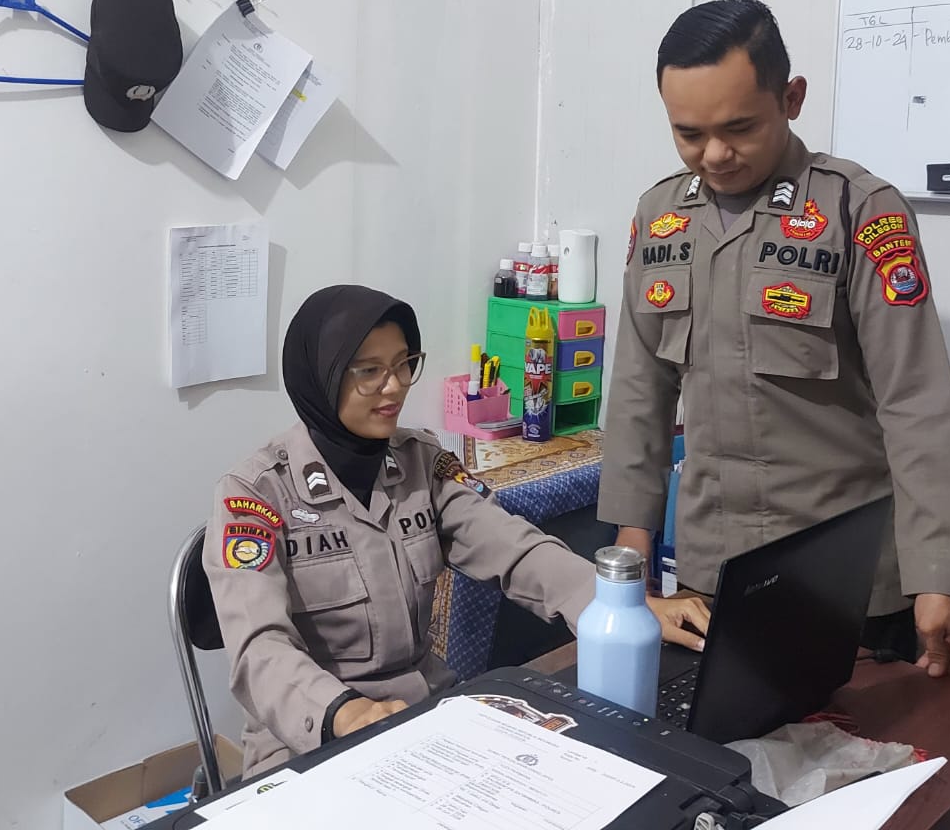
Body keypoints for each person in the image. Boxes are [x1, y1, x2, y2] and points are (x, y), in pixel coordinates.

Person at [598, 0, 950, 682]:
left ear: (791, 98)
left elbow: (915, 404)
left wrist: (936, 576)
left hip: (847, 578)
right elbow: (638, 391)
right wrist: (632, 547)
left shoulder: (859, 211)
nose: (715, 155)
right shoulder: (660, 216)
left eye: (739, 128)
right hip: (714, 574)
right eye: (689, 134)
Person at [206, 284, 712, 778]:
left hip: (423, 719)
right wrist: (343, 711)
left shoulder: (420, 463)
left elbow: (515, 548)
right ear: (322, 375)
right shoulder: (255, 495)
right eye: (369, 371)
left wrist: (617, 608)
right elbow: (259, 649)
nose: (394, 386)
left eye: (404, 363)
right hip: (310, 744)